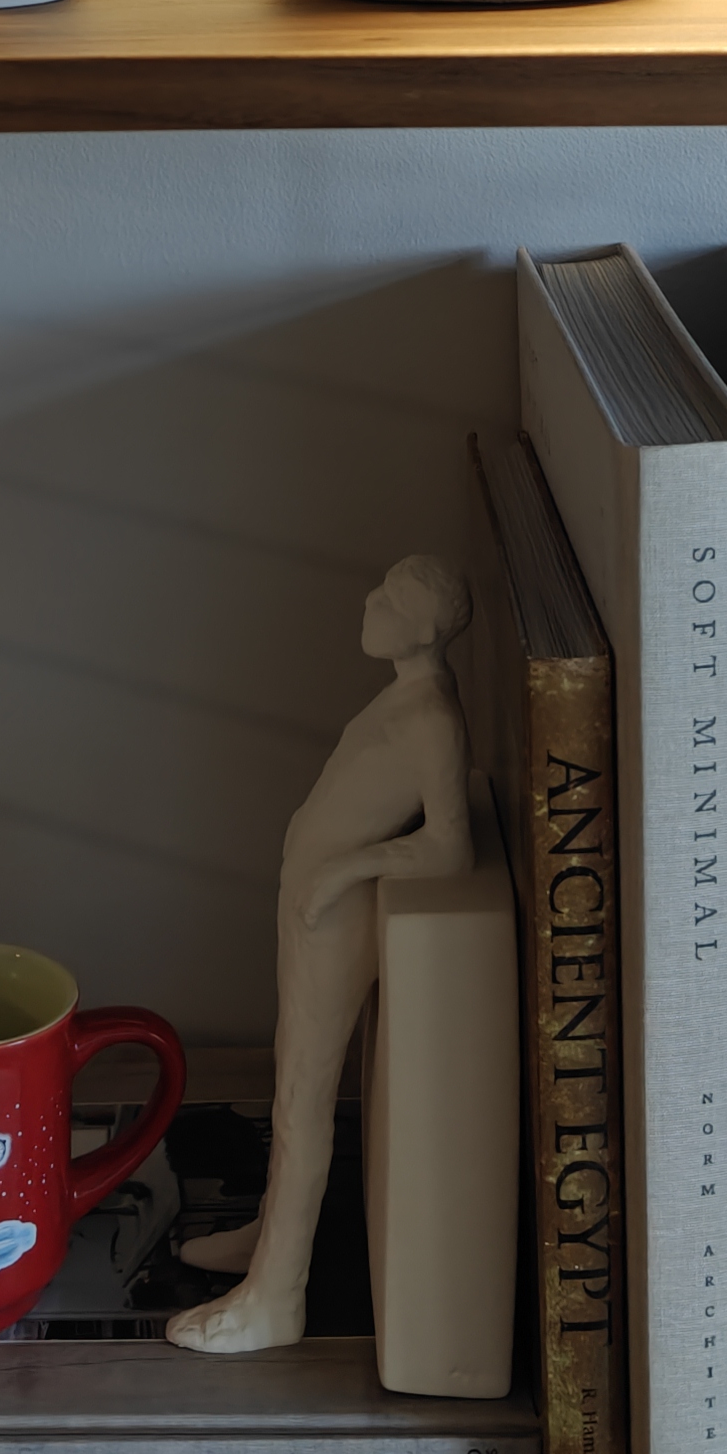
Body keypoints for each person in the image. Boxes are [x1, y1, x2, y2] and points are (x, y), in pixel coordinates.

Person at [167, 552, 474, 1355]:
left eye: (393, 599)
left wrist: (343, 871)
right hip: (312, 912)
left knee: (305, 1100)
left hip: (337, 917)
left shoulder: (434, 718)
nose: (372, 603)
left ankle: (277, 1296)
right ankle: (272, 1236)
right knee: (288, 1088)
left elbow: (450, 848)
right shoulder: (404, 696)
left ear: (428, 626)